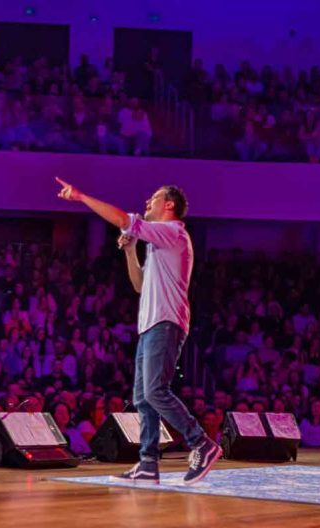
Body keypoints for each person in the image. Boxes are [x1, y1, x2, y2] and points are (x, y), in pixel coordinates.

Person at [55, 177, 220, 482]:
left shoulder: (173, 232)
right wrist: (131, 251)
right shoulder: (160, 243)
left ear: (169, 205)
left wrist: (81, 196)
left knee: (156, 391)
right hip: (150, 324)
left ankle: (201, 442)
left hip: (166, 321)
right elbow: (140, 285)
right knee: (143, 398)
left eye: (154, 198)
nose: (147, 203)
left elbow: (121, 218)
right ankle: (147, 463)